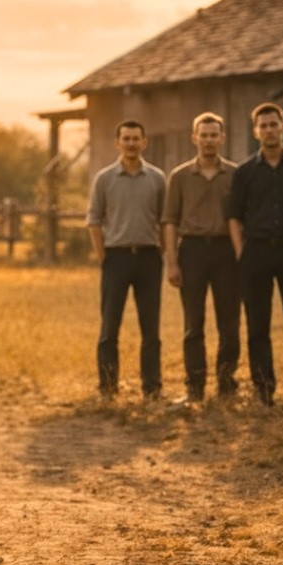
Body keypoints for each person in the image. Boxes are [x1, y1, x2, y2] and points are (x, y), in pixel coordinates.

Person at [227, 102, 283, 406]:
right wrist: (242, 254)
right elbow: (235, 217)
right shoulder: (245, 172)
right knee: (258, 325)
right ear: (256, 132)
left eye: (273, 124)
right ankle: (263, 391)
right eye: (262, 125)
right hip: (256, 252)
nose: (268, 130)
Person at [162, 112, 240, 404]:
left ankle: (227, 384)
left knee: (229, 322)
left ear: (222, 138)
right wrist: (172, 262)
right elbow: (169, 221)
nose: (208, 140)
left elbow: (240, 220)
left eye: (213, 135)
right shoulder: (180, 176)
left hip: (226, 251)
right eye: (203, 135)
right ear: (194, 138)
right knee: (193, 322)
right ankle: (194, 388)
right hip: (192, 251)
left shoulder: (235, 175)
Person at [88, 120, 167, 401]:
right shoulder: (105, 179)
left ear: (144, 142)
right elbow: (94, 220)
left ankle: (152, 388)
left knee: (151, 328)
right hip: (116, 258)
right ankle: (108, 388)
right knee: (110, 326)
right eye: (126, 138)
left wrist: (164, 254)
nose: (131, 143)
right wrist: (103, 257)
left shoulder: (157, 178)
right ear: (117, 143)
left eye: (136, 139)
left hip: (148, 257)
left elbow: (164, 221)